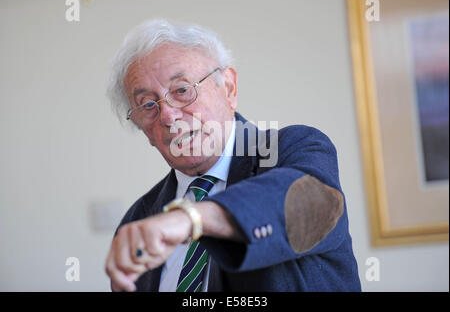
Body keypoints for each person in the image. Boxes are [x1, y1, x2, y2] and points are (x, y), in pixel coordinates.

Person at [105, 19, 361, 292]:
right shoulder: (138, 220)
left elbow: (312, 204)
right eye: (148, 105)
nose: (168, 116)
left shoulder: (295, 148)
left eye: (182, 90)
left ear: (229, 88)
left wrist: (190, 218)